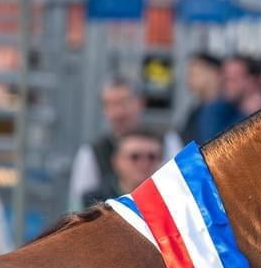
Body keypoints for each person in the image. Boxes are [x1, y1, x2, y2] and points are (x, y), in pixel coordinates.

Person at [69, 78, 180, 210]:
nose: (118, 112)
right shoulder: (92, 152)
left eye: (124, 103)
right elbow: (78, 206)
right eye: (109, 104)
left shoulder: (167, 141)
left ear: (140, 103)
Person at [82, 128, 164, 206]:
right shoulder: (92, 202)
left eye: (151, 157)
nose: (144, 163)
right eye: (134, 157)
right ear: (116, 161)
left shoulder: (169, 200)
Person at [196, 54, 261, 141]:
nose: (227, 84)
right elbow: (213, 145)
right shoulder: (215, 109)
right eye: (225, 78)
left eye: (233, 79)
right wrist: (245, 115)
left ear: (252, 81)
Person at [179, 52, 222, 145]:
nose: (189, 79)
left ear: (213, 74)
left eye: (194, 74)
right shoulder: (197, 110)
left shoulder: (222, 112)